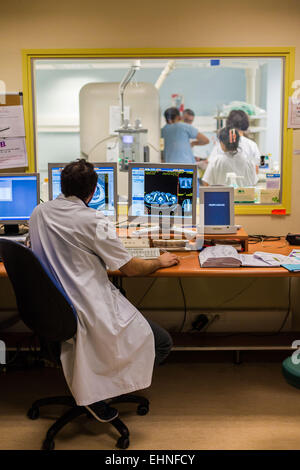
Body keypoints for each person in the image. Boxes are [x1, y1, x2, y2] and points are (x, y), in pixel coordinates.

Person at [29, 159, 179, 423]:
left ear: (61, 185)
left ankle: (97, 384)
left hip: (55, 309)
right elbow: (131, 269)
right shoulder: (94, 221)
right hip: (89, 309)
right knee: (162, 342)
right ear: (94, 190)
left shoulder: (39, 213)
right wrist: (159, 261)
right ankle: (102, 392)